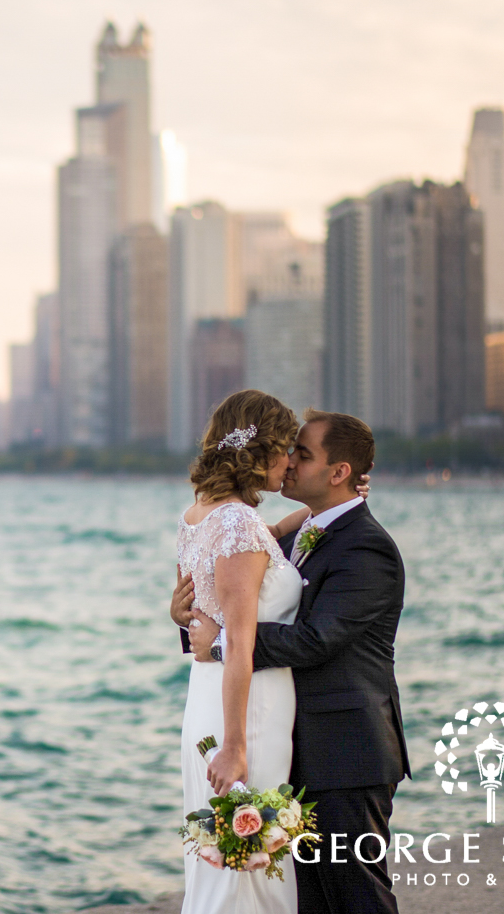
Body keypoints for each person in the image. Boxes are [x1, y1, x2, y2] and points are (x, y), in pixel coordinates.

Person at [174, 408, 412, 914]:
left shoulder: (367, 549)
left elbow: (314, 640)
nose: (289, 461)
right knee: (298, 897)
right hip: (290, 745)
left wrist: (219, 645)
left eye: (302, 454)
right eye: (288, 450)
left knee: (356, 894)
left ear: (339, 472)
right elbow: (226, 600)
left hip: (347, 752)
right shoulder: (279, 535)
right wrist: (185, 619)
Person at [174, 389, 306, 914]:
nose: (291, 462)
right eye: (286, 449)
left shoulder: (199, 516)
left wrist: (331, 510)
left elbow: (194, 611)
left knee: (233, 865)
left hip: (208, 698)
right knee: (247, 870)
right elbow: (240, 645)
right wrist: (234, 746)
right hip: (245, 712)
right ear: (261, 451)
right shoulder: (237, 525)